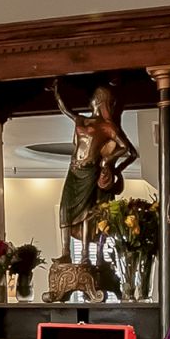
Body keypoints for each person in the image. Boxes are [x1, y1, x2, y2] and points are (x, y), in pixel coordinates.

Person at [52, 82, 137, 263]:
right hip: (74, 169)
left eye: (96, 98)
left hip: (90, 171)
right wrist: (57, 93)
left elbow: (129, 151)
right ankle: (66, 252)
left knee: (87, 213)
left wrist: (110, 162)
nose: (92, 101)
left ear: (100, 101)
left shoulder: (108, 127)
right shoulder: (81, 120)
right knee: (65, 208)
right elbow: (65, 110)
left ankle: (84, 255)